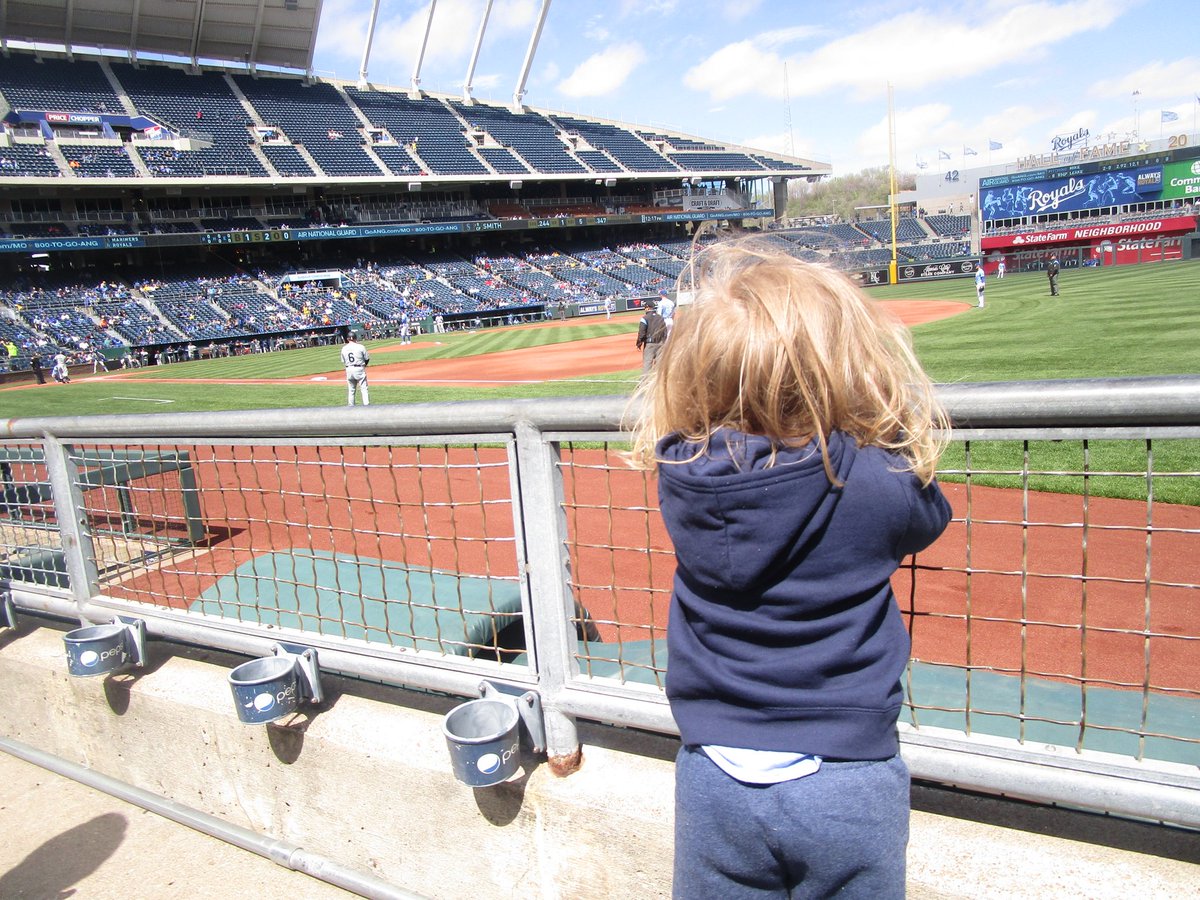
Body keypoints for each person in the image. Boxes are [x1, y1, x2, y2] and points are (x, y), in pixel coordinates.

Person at [628, 239, 952, 900]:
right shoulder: (872, 476)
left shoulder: (682, 474)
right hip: (846, 774)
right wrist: (875, 413)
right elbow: (928, 515)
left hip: (712, 771)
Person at [634, 303, 668, 374]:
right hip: (661, 343)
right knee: (660, 366)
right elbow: (665, 331)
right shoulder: (660, 317)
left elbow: (642, 333)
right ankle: (660, 383)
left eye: (645, 308)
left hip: (650, 344)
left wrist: (639, 343)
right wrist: (664, 342)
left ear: (647, 308)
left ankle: (645, 383)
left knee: (647, 365)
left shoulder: (644, 318)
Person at [340, 331, 370, 407]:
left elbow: (343, 361)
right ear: (356, 338)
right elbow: (367, 359)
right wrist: (363, 366)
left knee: (351, 390)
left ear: (347, 339)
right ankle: (366, 406)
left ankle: (351, 407)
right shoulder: (360, 346)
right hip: (359, 368)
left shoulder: (344, 348)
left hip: (349, 369)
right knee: (363, 388)